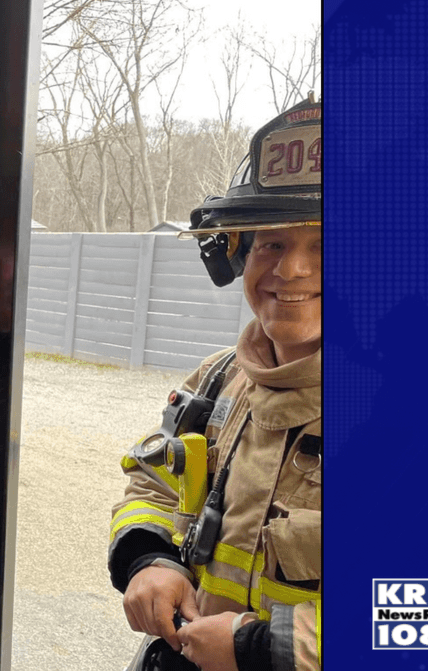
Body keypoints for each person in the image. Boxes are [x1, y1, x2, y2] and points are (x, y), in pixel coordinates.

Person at [108, 97, 322, 671]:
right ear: (236, 255)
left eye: (330, 246)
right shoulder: (220, 378)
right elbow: (153, 481)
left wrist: (261, 649)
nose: (291, 270)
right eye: (271, 243)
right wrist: (150, 559)